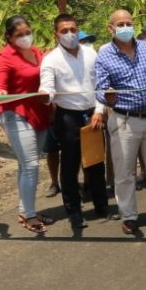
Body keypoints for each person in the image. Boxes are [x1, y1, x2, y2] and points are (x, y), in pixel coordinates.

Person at [93, 10, 146, 235]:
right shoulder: (105, 55)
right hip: (124, 120)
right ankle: (129, 216)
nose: (125, 27)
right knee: (125, 172)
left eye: (129, 23)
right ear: (111, 28)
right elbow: (100, 88)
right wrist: (107, 96)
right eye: (120, 24)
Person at [39, 14, 110, 230]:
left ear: (78, 30)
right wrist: (45, 95)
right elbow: (48, 87)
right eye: (64, 30)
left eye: (73, 29)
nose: (69, 34)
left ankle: (101, 206)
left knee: (96, 162)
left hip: (92, 114)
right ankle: (74, 212)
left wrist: (99, 110)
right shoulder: (50, 59)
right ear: (56, 34)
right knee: (70, 165)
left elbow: (101, 85)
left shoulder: (91, 53)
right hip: (67, 116)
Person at [0, 16, 53, 234]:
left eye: (28, 32)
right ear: (9, 37)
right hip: (16, 114)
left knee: (27, 165)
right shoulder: (4, 57)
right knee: (31, 166)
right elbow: (0, 86)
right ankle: (29, 215)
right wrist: (0, 92)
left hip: (39, 113)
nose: (26, 37)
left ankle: (24, 209)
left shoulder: (37, 52)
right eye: (19, 34)